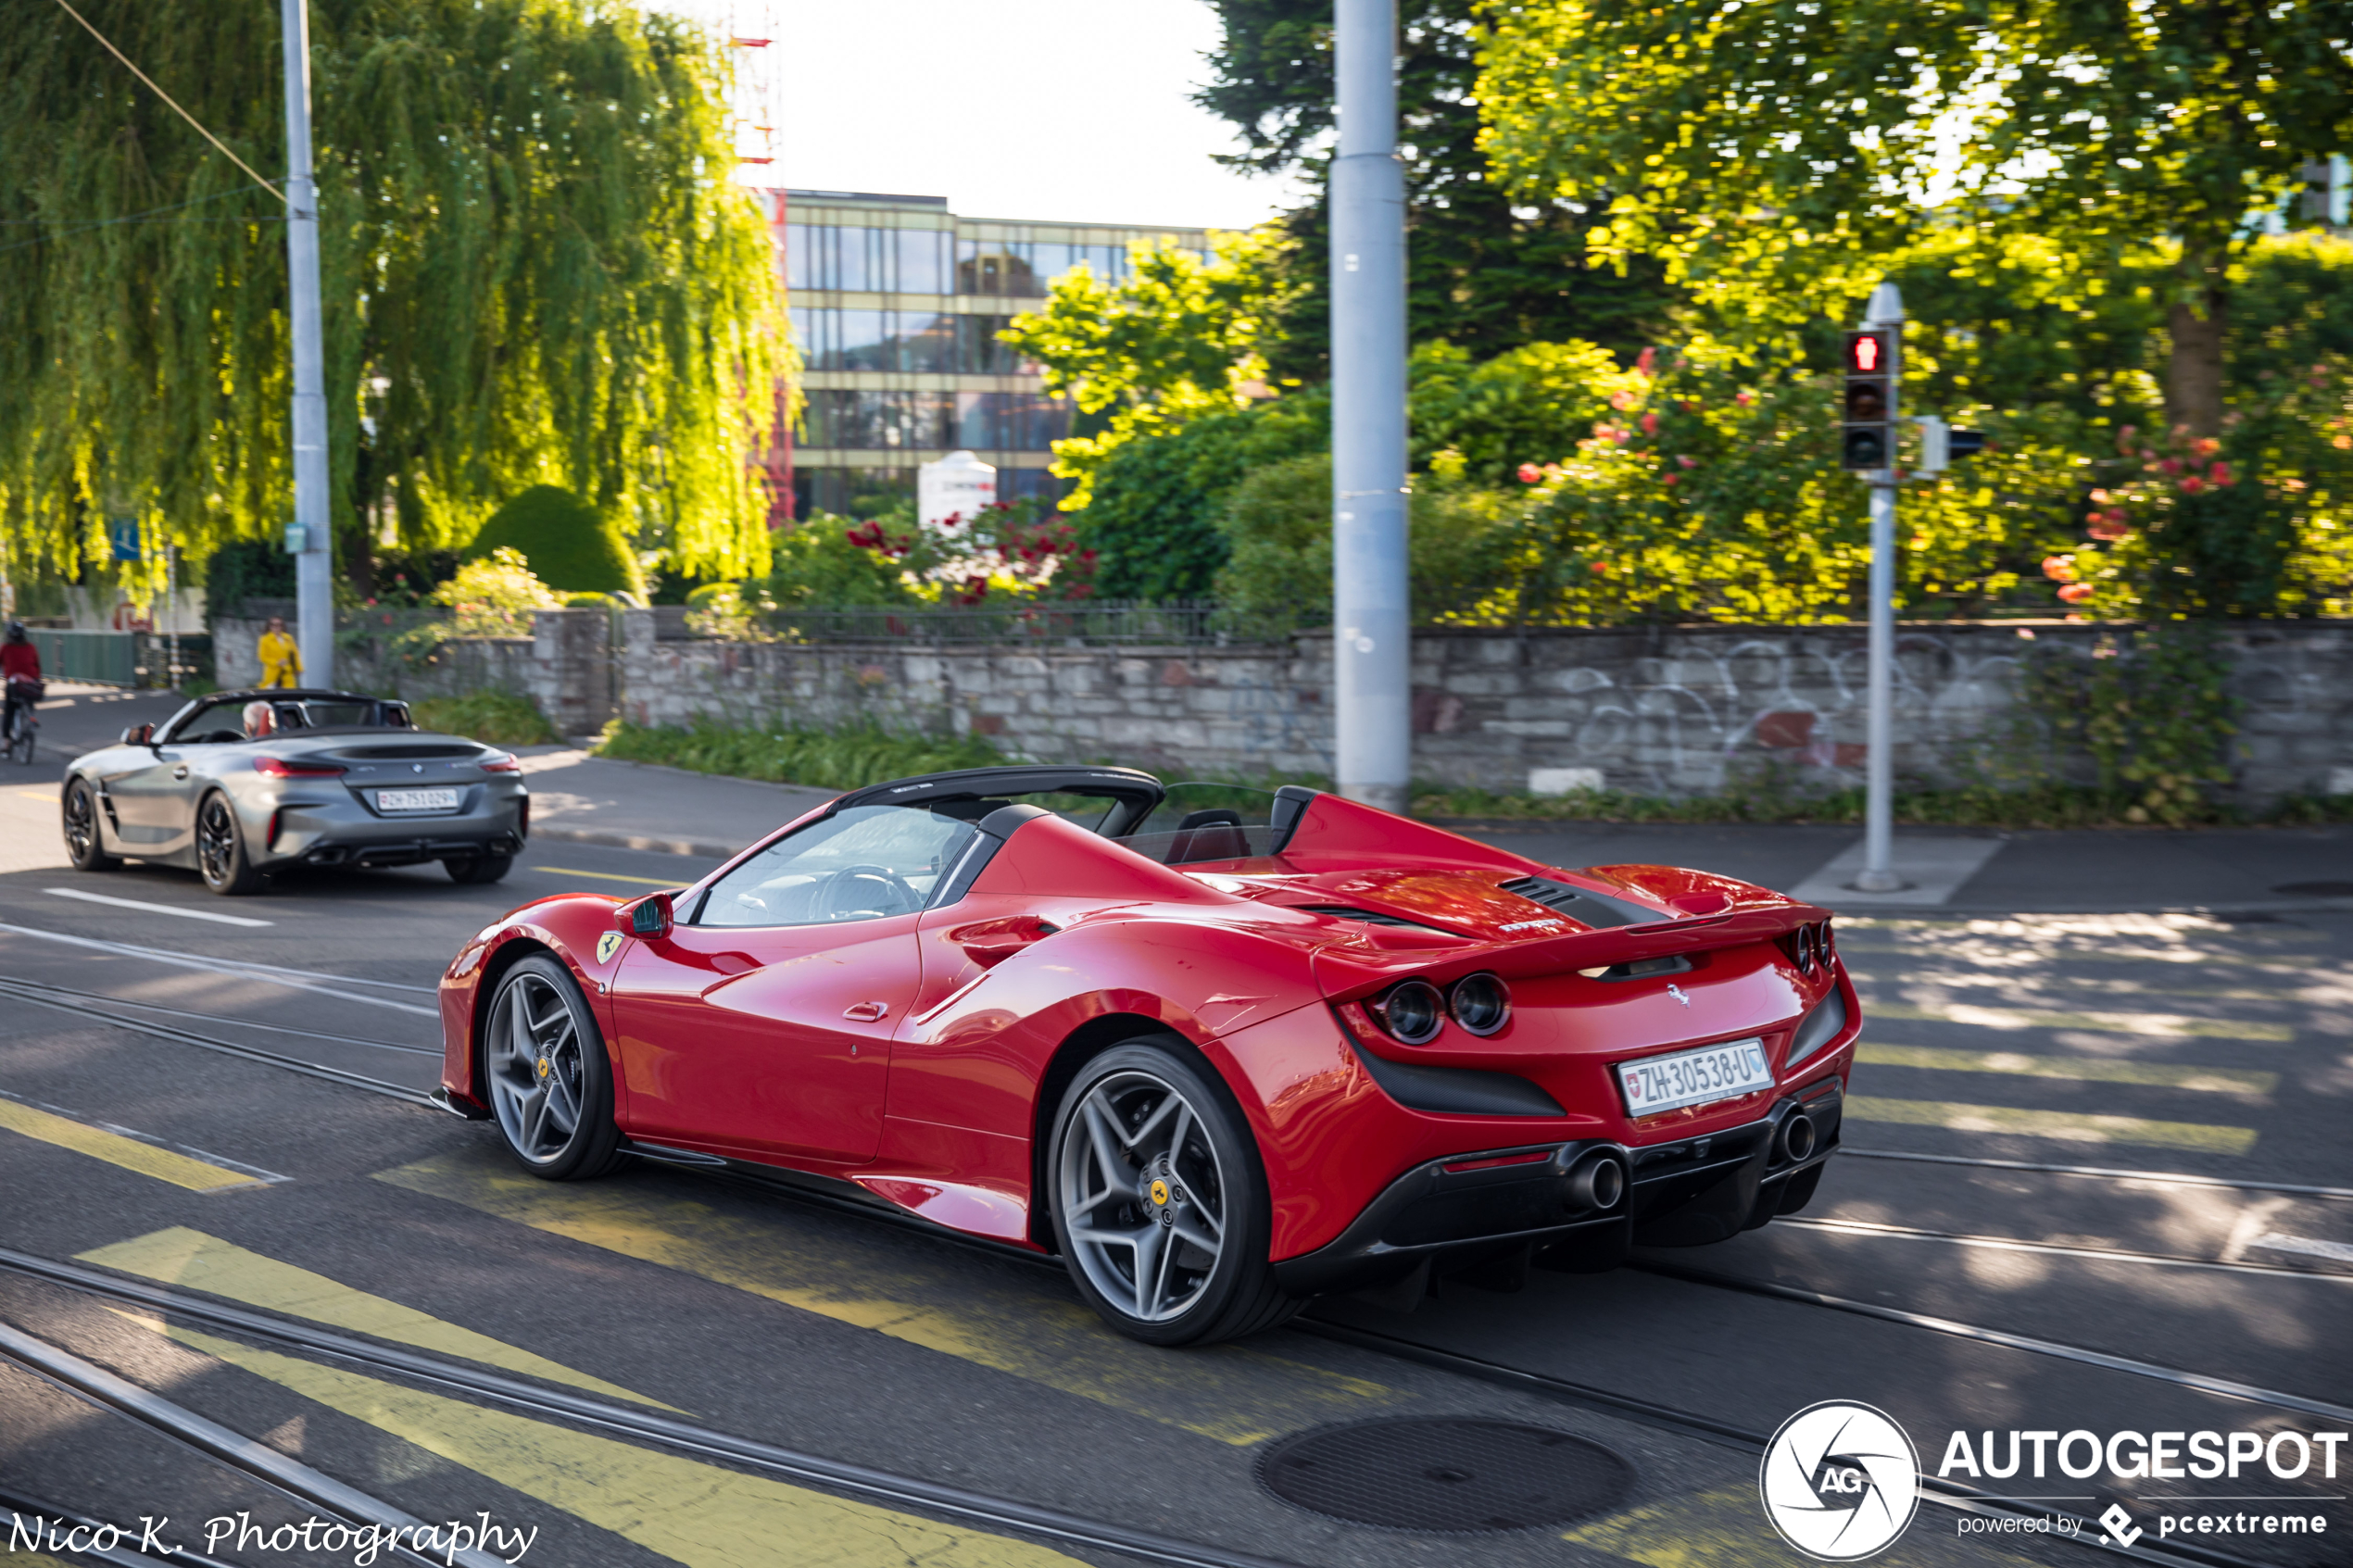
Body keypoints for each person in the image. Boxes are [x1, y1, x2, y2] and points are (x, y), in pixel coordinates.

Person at [1, 622, 41, 748]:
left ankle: (7, 743)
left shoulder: (6, 648)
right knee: (29, 702)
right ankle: (31, 718)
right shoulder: (31, 647)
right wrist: (37, 679)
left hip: (15, 684)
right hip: (31, 684)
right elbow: (37, 665)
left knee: (9, 711)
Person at [257, 615, 301, 689]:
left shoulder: (288, 638)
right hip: (273, 673)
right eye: (273, 625)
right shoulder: (265, 639)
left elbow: (295, 654)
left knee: (289, 695)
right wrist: (277, 662)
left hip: (287, 672)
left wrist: (298, 668)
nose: (276, 627)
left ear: (282, 626)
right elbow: (262, 657)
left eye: (279, 625)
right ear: (269, 626)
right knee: (272, 695)